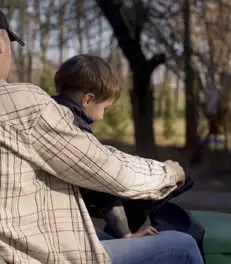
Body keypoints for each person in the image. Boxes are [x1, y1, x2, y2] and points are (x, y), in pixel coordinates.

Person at [0, 10, 203, 264]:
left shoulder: (45, 112)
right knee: (181, 246)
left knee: (97, 237)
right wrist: (170, 174)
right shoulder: (25, 107)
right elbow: (108, 172)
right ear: (1, 44)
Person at [51, 54, 157, 239]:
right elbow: (102, 189)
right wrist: (127, 236)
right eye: (104, 109)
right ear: (88, 100)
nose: (101, 117)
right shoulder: (75, 132)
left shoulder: (46, 113)